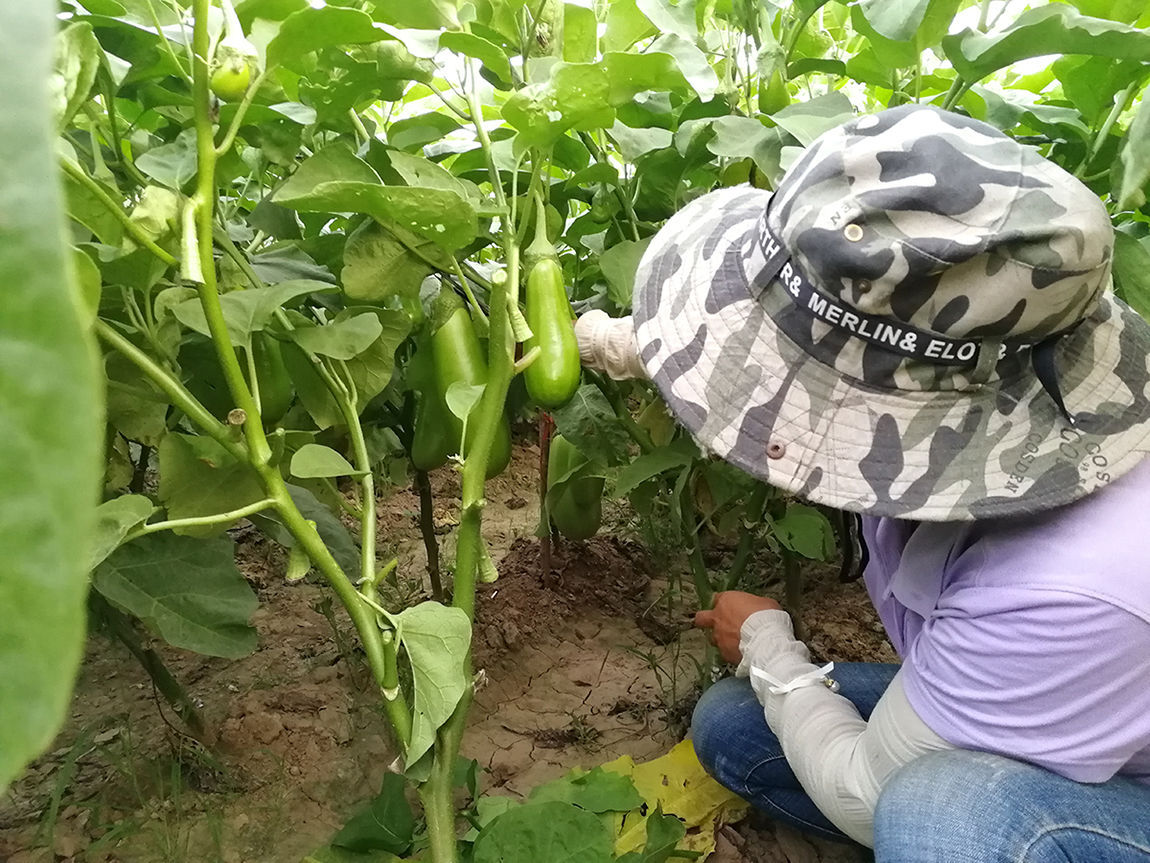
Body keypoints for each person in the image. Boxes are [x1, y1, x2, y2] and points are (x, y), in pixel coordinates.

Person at [574, 104, 1150, 861]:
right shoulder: (1006, 346)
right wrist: (608, 340)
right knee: (736, 725)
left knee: (936, 816)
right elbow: (770, 337)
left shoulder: (1079, 579)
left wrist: (768, 641)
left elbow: (865, 792)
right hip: (1065, 706)